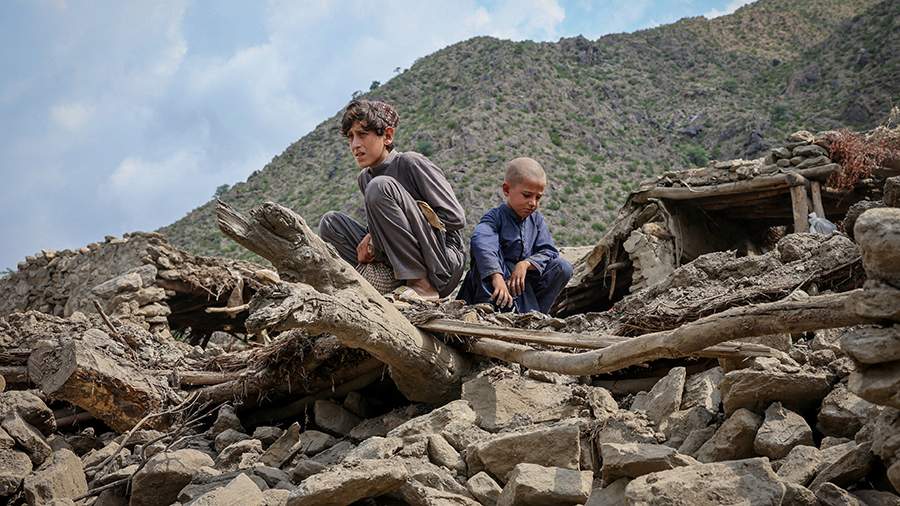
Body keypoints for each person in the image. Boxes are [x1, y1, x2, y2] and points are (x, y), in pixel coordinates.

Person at [318, 99, 466, 299]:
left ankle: (422, 287)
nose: (355, 145)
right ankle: (370, 286)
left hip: (441, 263)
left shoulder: (410, 163)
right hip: (399, 260)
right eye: (350, 137)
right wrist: (372, 241)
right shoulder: (365, 178)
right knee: (330, 223)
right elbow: (388, 227)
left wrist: (375, 237)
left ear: (387, 136)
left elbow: (455, 218)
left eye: (362, 134)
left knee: (380, 187)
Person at [457, 157, 572, 313]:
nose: (533, 203)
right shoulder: (494, 218)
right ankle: (491, 313)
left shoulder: (537, 221)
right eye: (527, 195)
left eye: (538, 197)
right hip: (494, 290)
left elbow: (548, 251)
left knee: (562, 267)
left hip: (524, 288)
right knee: (490, 257)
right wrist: (496, 277)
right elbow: (481, 242)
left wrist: (525, 264)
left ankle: (535, 315)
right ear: (506, 190)